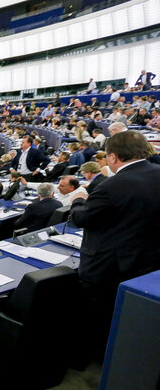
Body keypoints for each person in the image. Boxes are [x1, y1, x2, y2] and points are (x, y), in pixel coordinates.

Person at [70, 131, 160, 355]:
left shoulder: (113, 185)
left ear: (113, 157)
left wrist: (78, 200)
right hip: (148, 260)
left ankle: (95, 355)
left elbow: (80, 219)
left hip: (109, 266)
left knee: (99, 314)